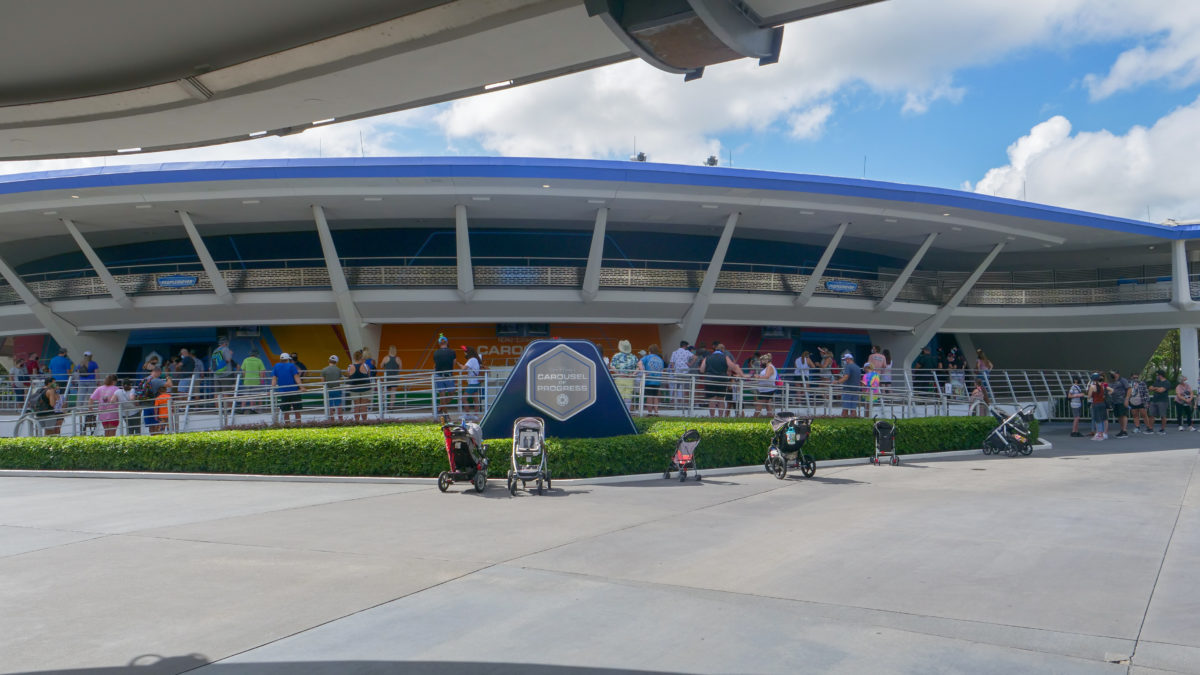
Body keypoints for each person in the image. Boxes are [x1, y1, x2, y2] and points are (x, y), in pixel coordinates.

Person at [271, 352, 303, 424]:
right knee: (297, 410)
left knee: (286, 411)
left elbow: (274, 379)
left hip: (283, 392)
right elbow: (296, 377)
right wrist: (301, 387)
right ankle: (299, 425)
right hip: (294, 391)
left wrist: (272, 389)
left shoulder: (276, 366)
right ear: (288, 359)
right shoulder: (291, 366)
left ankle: (287, 426)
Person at [610, 340, 640, 409]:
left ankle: (620, 412)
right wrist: (633, 374)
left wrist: (618, 373)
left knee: (619, 396)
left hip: (620, 378)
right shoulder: (634, 356)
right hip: (630, 378)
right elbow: (638, 367)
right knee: (628, 396)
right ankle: (627, 412)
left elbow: (612, 366)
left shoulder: (616, 356)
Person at [432, 334, 458, 411]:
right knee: (452, 393)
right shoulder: (452, 352)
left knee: (442, 396)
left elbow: (435, 365)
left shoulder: (436, 353)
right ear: (447, 342)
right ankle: (443, 410)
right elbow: (454, 362)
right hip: (448, 375)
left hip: (438, 375)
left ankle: (442, 410)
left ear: (439, 343)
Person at [346, 350, 372, 421]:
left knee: (356, 406)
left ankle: (357, 421)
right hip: (365, 388)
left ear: (354, 358)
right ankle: (364, 421)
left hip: (354, 389)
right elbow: (368, 376)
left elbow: (348, 377)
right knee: (364, 405)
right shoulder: (366, 366)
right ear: (361, 357)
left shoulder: (350, 367)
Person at [239, 349, 267, 414]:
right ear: (257, 354)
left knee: (245, 395)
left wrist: (244, 378)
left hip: (247, 380)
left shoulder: (246, 360)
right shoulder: (259, 361)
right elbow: (262, 371)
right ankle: (252, 408)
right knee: (253, 395)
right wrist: (261, 380)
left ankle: (242, 408)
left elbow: (243, 371)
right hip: (256, 381)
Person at [640, 344, 665, 415]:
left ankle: (650, 412)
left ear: (649, 350)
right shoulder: (660, 359)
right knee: (655, 396)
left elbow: (639, 363)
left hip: (649, 380)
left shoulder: (647, 357)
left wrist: (643, 372)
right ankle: (656, 412)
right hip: (657, 380)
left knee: (649, 396)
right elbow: (662, 370)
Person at [836, 352, 862, 417]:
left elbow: (846, 377)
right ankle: (854, 422)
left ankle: (843, 423)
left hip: (847, 389)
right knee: (853, 409)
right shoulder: (857, 367)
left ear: (848, 359)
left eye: (845, 360)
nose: (845, 361)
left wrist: (837, 382)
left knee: (845, 408)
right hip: (856, 389)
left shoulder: (848, 366)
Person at [668, 340, 692, 407]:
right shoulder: (687, 352)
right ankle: (683, 403)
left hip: (677, 372)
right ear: (685, 346)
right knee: (684, 387)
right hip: (685, 372)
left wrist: (673, 372)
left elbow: (672, 363)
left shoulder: (674, 352)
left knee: (676, 387)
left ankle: (672, 402)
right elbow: (695, 357)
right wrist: (690, 364)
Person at [320, 355, 344, 421]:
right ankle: (341, 420)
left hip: (328, 390)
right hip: (337, 389)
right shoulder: (338, 369)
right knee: (339, 405)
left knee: (330, 406)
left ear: (328, 361)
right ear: (336, 362)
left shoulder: (324, 370)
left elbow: (322, 381)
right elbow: (339, 378)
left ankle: (332, 420)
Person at [1086, 372, 1109, 440]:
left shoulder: (1092, 386)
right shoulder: (1103, 385)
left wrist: (1089, 396)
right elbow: (1108, 391)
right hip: (1102, 404)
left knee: (1097, 419)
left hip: (1096, 404)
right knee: (1102, 419)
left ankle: (1099, 435)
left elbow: (1089, 396)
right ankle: (1103, 434)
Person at [1147, 371, 1171, 435]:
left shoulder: (1167, 382)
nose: (1156, 376)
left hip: (1163, 401)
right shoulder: (1156, 381)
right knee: (1151, 415)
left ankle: (1162, 429)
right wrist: (1157, 388)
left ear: (1161, 375)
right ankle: (1150, 429)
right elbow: (1149, 388)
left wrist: (1154, 388)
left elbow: (1161, 391)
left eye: (1157, 375)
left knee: (1163, 416)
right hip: (1154, 400)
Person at [1109, 370, 1130, 438]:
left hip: (1122, 400)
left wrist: (1127, 399)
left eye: (1112, 373)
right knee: (1119, 416)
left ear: (1117, 374)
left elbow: (1129, 389)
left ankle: (1124, 431)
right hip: (1115, 401)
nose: (1111, 375)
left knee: (1123, 415)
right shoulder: (1112, 381)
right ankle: (1122, 430)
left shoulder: (1122, 380)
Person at [463, 346, 483, 413]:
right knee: (475, 399)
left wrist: (459, 365)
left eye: (465, 352)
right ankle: (476, 415)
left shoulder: (471, 360)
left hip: (472, 383)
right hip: (476, 382)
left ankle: (467, 414)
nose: (464, 353)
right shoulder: (476, 359)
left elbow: (463, 369)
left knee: (464, 398)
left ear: (468, 352)